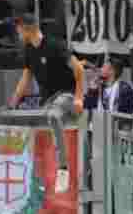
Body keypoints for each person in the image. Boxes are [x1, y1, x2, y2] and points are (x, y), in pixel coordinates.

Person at [10, 13, 84, 194]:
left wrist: (79, 97)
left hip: (67, 95)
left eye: (19, 29)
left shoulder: (55, 45)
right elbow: (25, 78)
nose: (17, 34)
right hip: (47, 100)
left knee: (53, 114)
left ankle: (63, 170)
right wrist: (13, 102)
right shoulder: (28, 50)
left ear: (27, 28)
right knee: (30, 123)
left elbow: (79, 69)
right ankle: (37, 175)